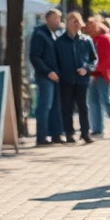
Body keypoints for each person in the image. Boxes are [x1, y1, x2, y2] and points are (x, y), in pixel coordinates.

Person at [53, 11, 97, 144]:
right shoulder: (59, 42)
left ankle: (85, 133)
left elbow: (93, 59)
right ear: (67, 23)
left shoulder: (86, 40)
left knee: (83, 107)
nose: (76, 24)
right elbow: (55, 60)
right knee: (67, 107)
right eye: (73, 21)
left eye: (78, 21)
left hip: (82, 80)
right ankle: (69, 133)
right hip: (66, 80)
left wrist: (86, 69)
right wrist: (59, 74)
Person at [29, 9, 64, 144]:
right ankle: (41, 136)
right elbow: (35, 56)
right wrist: (48, 71)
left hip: (55, 76)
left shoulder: (55, 34)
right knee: (45, 106)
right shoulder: (40, 34)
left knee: (55, 106)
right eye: (55, 18)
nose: (58, 21)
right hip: (45, 76)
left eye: (59, 18)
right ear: (47, 18)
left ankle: (56, 134)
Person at [86, 16, 110, 138]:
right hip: (96, 74)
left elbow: (105, 60)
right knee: (94, 101)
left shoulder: (105, 39)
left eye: (91, 26)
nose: (88, 28)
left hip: (103, 75)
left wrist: (92, 70)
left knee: (105, 99)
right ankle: (97, 128)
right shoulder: (95, 39)